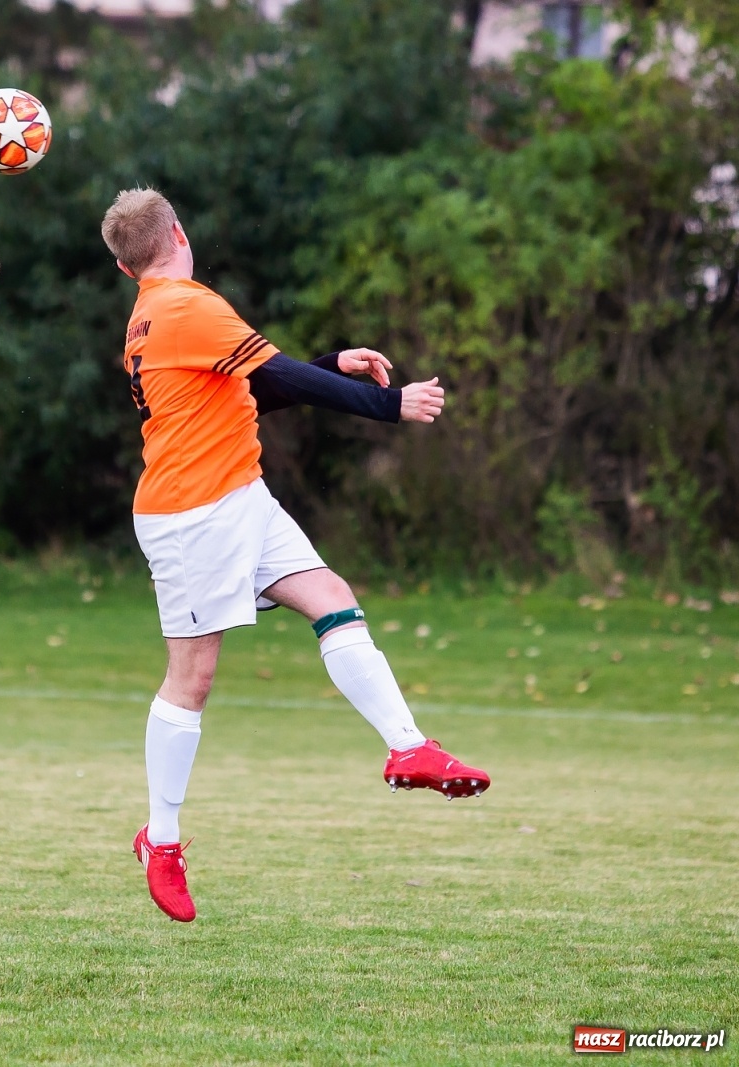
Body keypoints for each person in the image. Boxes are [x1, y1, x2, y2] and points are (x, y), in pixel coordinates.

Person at [99, 189, 490, 923]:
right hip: (191, 514)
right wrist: (385, 402)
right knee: (193, 677)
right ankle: (162, 838)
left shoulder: (156, 314)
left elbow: (250, 389)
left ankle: (408, 746)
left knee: (332, 597)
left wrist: (331, 364)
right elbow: (273, 379)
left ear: (126, 268)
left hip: (240, 495)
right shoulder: (188, 306)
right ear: (179, 232)